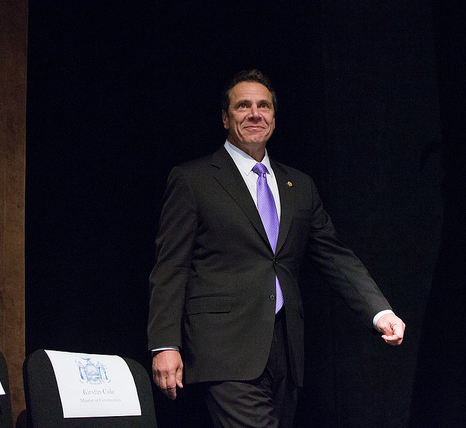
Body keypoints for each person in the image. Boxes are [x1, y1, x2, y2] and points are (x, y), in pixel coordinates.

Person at [147, 69, 405, 427]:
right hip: (224, 347)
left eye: (263, 106)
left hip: (286, 350)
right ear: (225, 118)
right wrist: (165, 343)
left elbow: (333, 254)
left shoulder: (298, 185)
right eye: (243, 106)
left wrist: (379, 312)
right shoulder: (194, 180)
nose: (255, 113)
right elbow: (171, 266)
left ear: (273, 116)